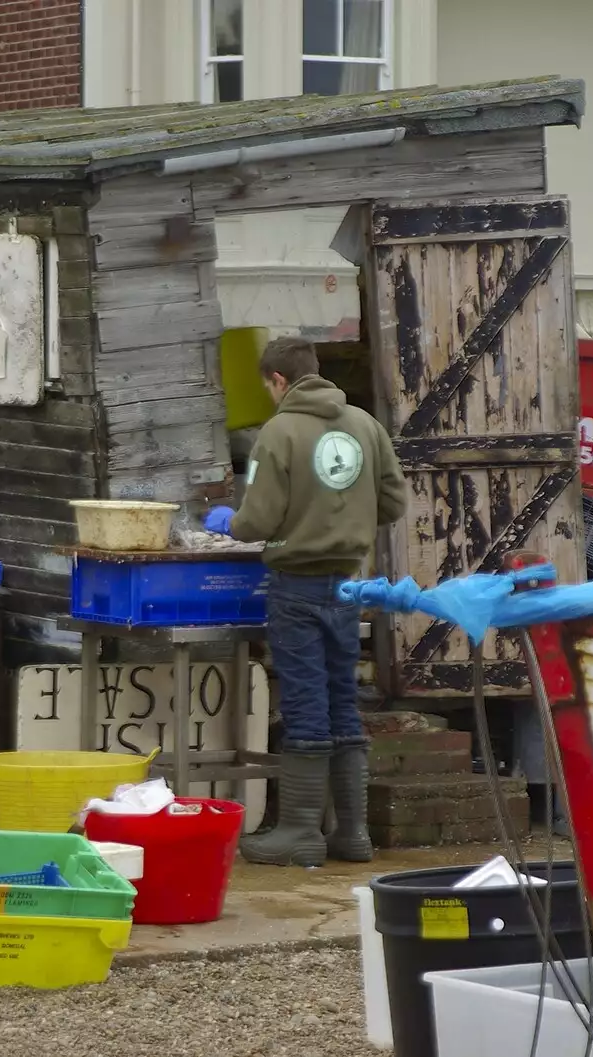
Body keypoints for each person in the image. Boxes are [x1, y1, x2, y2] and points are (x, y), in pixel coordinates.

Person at [204, 336, 407, 867]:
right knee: (344, 699)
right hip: (347, 584)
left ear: (277, 380)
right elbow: (393, 502)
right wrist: (345, 520)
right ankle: (353, 833)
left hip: (296, 586)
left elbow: (258, 521)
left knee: (304, 704)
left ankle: (298, 831)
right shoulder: (365, 425)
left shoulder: (280, 431)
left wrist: (233, 521)